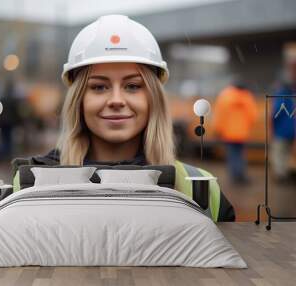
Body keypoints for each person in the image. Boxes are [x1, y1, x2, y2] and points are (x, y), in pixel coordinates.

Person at [13, 14, 235, 221]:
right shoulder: (29, 182)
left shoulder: (201, 187)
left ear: (153, 98)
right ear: (78, 100)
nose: (116, 100)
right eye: (99, 87)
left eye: (132, 86)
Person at [212, 80, 258, 185]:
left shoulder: (225, 96)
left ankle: (234, 176)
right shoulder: (247, 96)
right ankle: (241, 175)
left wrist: (218, 129)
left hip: (228, 133)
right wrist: (246, 126)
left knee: (232, 154)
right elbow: (253, 116)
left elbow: (219, 115)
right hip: (242, 133)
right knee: (240, 154)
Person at [271, 43, 296, 182]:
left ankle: (281, 175)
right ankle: (285, 173)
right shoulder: (291, 94)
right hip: (291, 129)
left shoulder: (281, 94)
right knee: (286, 153)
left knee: (280, 153)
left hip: (281, 130)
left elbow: (276, 112)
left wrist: (272, 125)